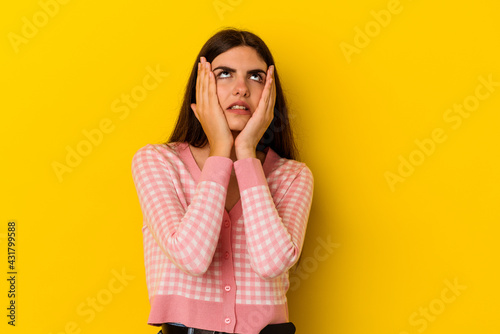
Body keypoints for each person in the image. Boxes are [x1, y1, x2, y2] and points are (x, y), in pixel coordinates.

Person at [131, 28, 314, 334]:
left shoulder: (292, 176)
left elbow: (272, 264)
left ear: (271, 94)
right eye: (225, 74)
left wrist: (245, 154)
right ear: (200, 88)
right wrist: (220, 149)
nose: (241, 88)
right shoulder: (158, 161)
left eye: (256, 77)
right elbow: (191, 256)